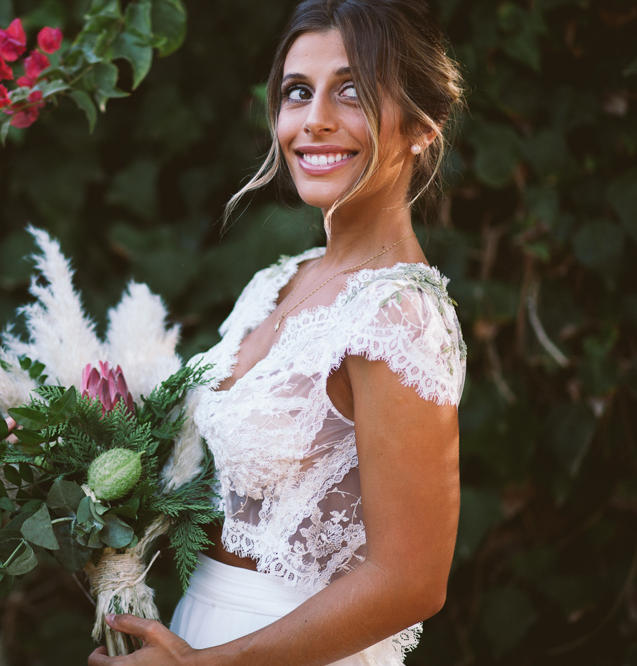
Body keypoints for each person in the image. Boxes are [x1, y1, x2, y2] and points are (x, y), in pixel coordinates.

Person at [88, 0, 466, 664]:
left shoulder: (396, 317)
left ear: (418, 126)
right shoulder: (278, 282)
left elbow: (411, 582)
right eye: (298, 92)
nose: (314, 118)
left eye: (350, 91)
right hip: (196, 621)